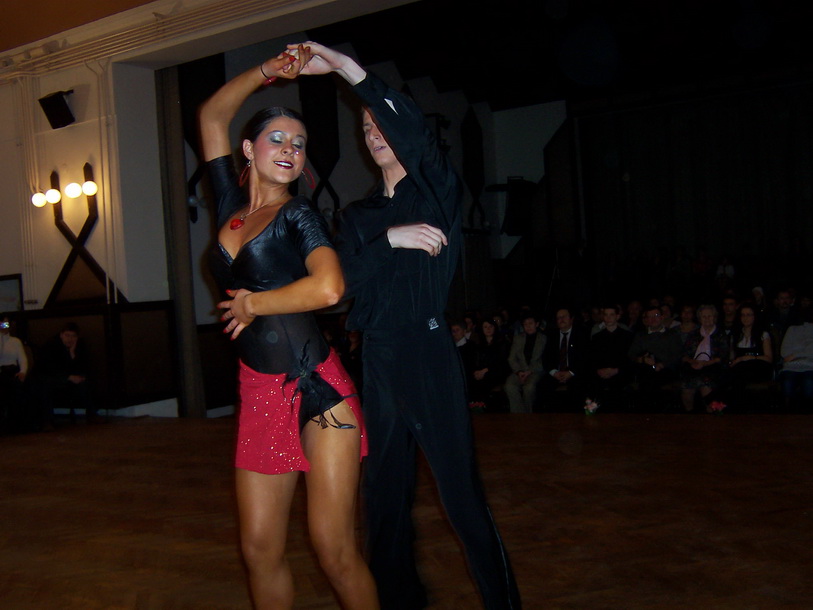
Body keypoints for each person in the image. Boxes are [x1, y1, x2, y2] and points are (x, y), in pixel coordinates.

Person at [298, 42, 521, 609]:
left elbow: (417, 137)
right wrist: (390, 240)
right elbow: (338, 283)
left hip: (426, 352)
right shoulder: (359, 217)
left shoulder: (437, 194)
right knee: (383, 496)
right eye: (365, 128)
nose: (373, 133)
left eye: (380, 123)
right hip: (377, 356)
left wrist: (347, 70)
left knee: (461, 498)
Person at [199, 45, 377, 609]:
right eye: (277, 139)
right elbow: (211, 115)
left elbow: (328, 288)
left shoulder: (298, 214)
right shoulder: (229, 204)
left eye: (299, 145)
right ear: (248, 150)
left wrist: (255, 304)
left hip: (319, 390)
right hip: (259, 391)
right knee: (259, 550)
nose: (289, 150)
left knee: (334, 550)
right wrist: (268, 71)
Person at [39, 322, 96, 425]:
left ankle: (92, 415)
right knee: (45, 384)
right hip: (54, 378)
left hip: (71, 377)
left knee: (86, 382)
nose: (70, 339)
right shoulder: (51, 345)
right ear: (61, 335)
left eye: (73, 336)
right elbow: (49, 368)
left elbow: (83, 366)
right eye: (67, 335)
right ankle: (47, 421)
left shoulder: (80, 346)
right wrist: (68, 377)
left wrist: (72, 354)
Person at [680, 304, 730, 412]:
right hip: (694, 366)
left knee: (705, 385)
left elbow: (723, 356)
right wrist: (693, 362)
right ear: (699, 318)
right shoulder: (693, 334)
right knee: (686, 387)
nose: (707, 319)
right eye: (704, 316)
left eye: (709, 316)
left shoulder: (721, 334)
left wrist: (705, 364)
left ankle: (712, 414)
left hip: (713, 367)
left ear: (714, 317)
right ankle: (689, 415)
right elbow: (684, 354)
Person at [505, 312, 545, 414]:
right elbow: (511, 358)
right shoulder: (518, 338)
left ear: (536, 324)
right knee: (509, 386)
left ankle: (529, 414)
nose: (528, 326)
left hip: (536, 370)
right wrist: (519, 371)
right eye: (525, 324)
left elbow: (545, 359)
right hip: (520, 370)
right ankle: (518, 415)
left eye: (530, 323)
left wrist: (530, 371)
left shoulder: (544, 339)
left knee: (529, 388)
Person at [0, 316, 28, 433]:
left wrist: (23, 372)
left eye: (6, 324)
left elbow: (22, 359)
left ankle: (16, 423)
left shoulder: (15, 341)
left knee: (16, 388)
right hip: (1, 371)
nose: (4, 326)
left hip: (12, 371)